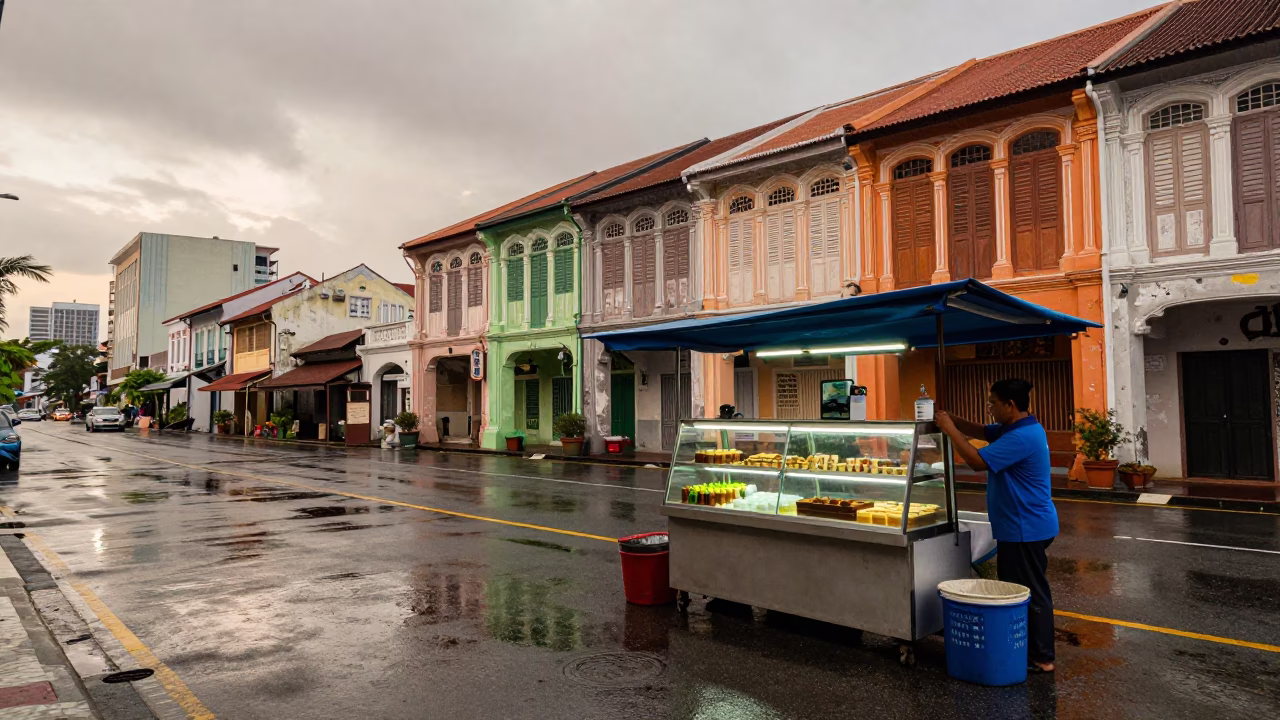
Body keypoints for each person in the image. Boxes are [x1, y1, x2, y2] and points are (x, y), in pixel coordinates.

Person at [934, 378, 1057, 673]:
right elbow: (979, 431)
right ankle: (1027, 647)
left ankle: (1042, 657)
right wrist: (950, 417)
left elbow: (976, 461)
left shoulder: (1021, 437)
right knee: (1018, 587)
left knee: (1030, 592)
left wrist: (949, 430)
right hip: (1021, 525)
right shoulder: (1013, 428)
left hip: (1025, 528)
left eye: (993, 403)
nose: (990, 408)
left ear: (1009, 405)